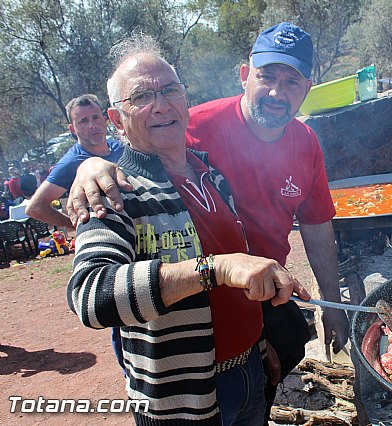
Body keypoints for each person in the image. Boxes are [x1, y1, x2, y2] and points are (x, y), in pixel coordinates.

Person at [67, 22, 350, 424]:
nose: (162, 105)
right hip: (183, 391)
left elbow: (262, 252)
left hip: (248, 362)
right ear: (117, 118)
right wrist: (92, 164)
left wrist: (255, 342)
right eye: (142, 97)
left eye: (170, 91)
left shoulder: (209, 175)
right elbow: (92, 296)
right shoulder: (116, 191)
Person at [25, 94, 124, 230]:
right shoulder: (71, 162)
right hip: (106, 236)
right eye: (83, 121)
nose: (92, 125)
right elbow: (35, 208)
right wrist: (78, 226)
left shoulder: (121, 147)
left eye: (95, 118)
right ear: (72, 129)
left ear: (104, 119)